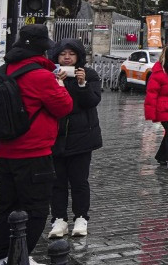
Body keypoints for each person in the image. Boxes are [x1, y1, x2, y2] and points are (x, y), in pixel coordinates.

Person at [0, 24, 75, 264]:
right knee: (36, 209)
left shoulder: (4, 70)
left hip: (4, 151)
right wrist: (59, 84)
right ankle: (19, 256)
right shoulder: (41, 76)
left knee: (6, 206)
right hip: (33, 153)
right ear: (41, 50)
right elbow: (64, 107)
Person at [48, 39, 102, 239]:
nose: (67, 57)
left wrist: (82, 84)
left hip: (82, 137)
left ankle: (81, 217)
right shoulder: (50, 75)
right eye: (63, 54)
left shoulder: (89, 74)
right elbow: (49, 103)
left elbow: (92, 101)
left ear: (78, 56)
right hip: (56, 137)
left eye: (71, 54)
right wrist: (58, 83)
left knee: (79, 181)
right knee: (57, 182)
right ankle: (58, 219)